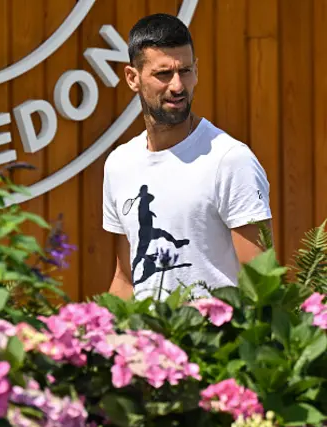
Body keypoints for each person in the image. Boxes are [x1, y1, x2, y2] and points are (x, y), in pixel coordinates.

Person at [102, 13, 273, 301]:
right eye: (163, 74)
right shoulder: (119, 164)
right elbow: (127, 279)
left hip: (213, 345)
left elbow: (260, 286)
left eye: (186, 71)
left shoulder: (230, 160)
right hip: (144, 344)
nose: (178, 86)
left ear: (197, 71)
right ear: (132, 78)